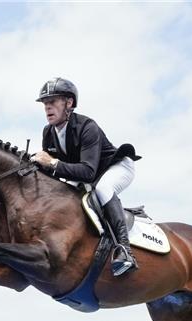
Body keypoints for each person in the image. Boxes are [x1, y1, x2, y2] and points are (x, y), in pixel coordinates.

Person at [30, 77, 141, 276]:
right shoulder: (48, 132)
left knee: (102, 189)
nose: (47, 108)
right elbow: (50, 172)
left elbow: (87, 172)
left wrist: (53, 163)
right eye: (45, 104)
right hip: (89, 173)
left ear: (69, 103)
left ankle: (124, 250)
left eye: (53, 102)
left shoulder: (87, 126)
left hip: (116, 167)